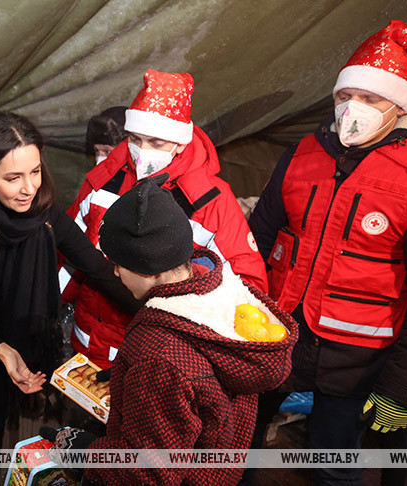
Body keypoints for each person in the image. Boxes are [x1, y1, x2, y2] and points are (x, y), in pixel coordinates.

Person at [248, 20, 407, 485]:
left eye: (371, 98)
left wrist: (404, 385)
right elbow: (252, 242)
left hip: (360, 359)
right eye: (343, 96)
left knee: (334, 469)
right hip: (277, 337)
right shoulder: (303, 155)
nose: (352, 107)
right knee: (241, 449)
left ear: (401, 102)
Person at [45, 174, 296, 485]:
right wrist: (131, 376)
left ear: (148, 267)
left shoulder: (158, 352)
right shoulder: (219, 292)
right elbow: (200, 385)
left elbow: (148, 471)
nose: (114, 271)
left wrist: (87, 453)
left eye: (118, 263)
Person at [0, 112, 139, 448]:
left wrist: (160, 313)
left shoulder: (44, 213)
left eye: (35, 172)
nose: (29, 188)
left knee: (7, 426)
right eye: (13, 178)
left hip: (24, 342)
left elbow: (99, 269)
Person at [63, 69, 268, 369]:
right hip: (88, 344)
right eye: (135, 139)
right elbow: (70, 250)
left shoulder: (209, 201)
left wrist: (175, 281)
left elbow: (247, 288)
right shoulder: (105, 178)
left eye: (157, 143)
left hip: (153, 358)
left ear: (180, 143)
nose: (142, 151)